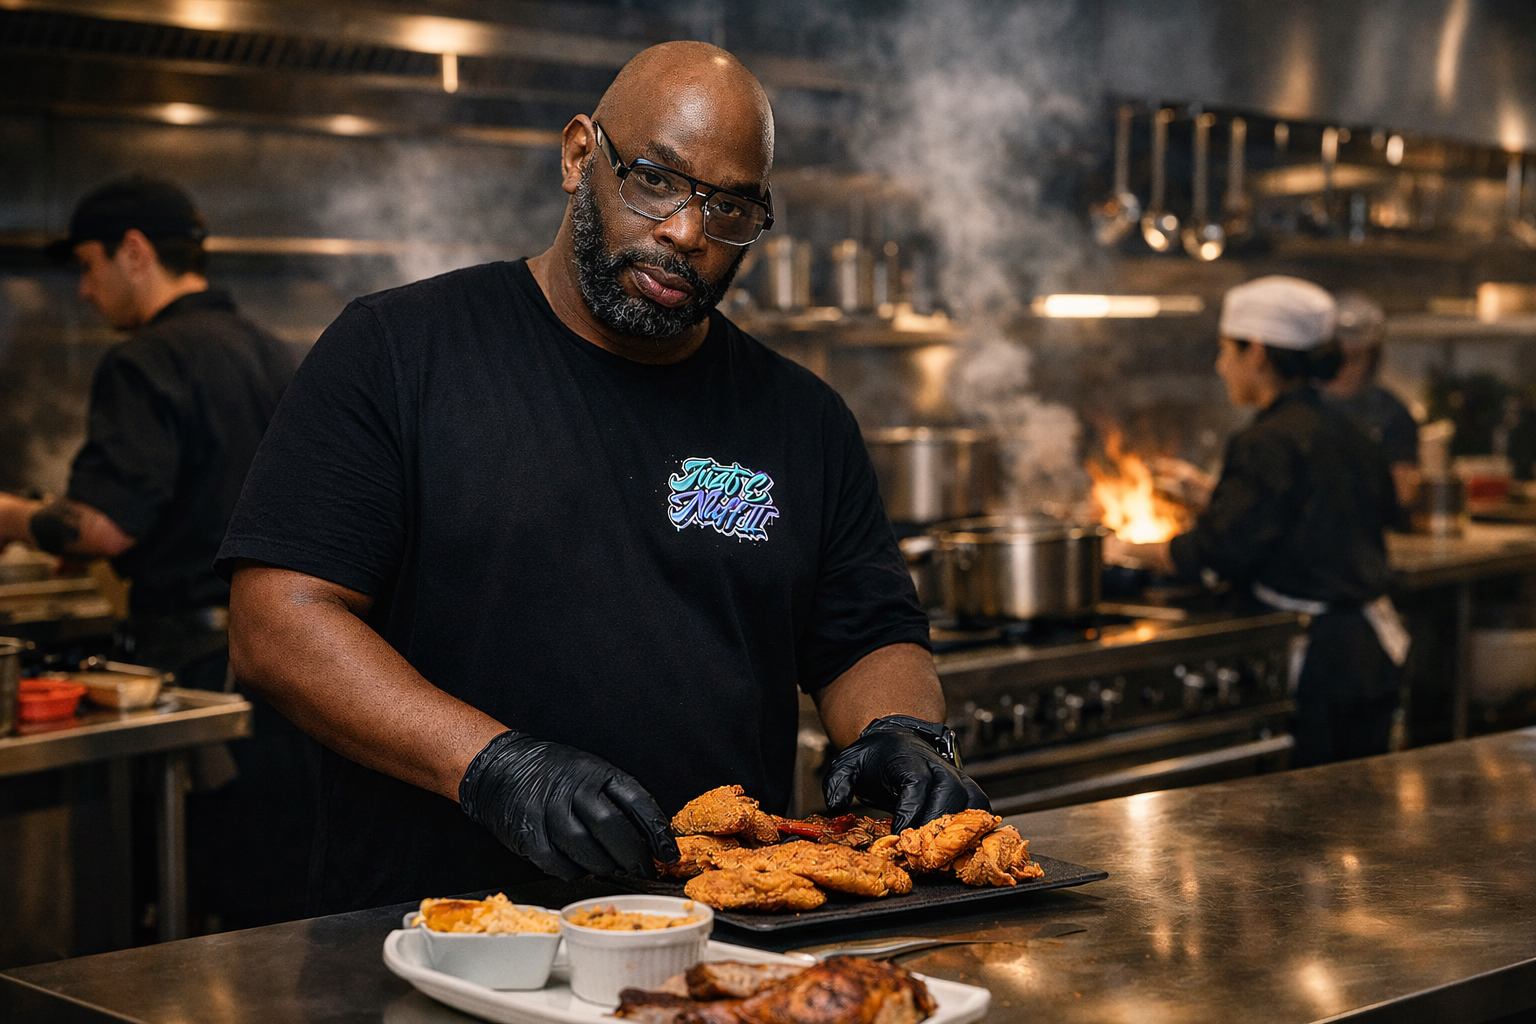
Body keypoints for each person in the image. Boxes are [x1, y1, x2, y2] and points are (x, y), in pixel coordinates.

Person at [216, 41, 988, 914]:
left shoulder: (801, 417)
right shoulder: (399, 351)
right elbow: (278, 620)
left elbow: (866, 635)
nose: (687, 233)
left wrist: (900, 731)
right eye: (655, 180)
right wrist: (495, 767)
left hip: (714, 933)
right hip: (439, 931)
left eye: (729, 207)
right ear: (580, 155)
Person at [0, 175, 309, 930]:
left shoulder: (145, 360)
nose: (82, 289)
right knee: (279, 911)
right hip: (297, 684)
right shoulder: (275, 352)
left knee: (197, 913)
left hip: (201, 681)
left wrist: (9, 514)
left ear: (134, 253)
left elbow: (103, 528)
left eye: (88, 264)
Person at [1106, 276, 1408, 768]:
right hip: (1367, 655)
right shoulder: (1345, 425)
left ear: (1259, 353)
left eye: (1227, 350)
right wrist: (1215, 496)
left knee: (1313, 817)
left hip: (1318, 663)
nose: (1221, 365)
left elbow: (1213, 553)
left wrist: (1120, 549)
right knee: (1356, 812)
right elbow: (1308, 513)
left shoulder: (1265, 440)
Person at [1324, 291, 1419, 508]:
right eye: (1335, 356)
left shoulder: (1392, 414)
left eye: (1354, 358)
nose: (1342, 368)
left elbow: (1402, 493)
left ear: (1373, 359)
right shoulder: (1299, 408)